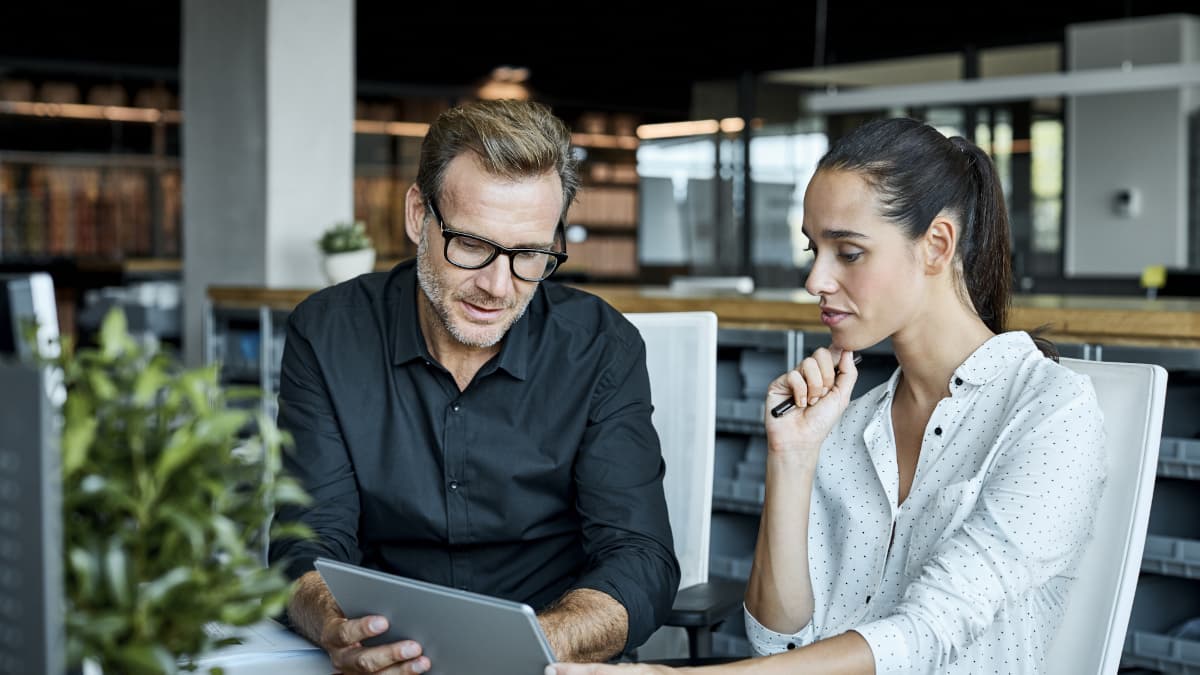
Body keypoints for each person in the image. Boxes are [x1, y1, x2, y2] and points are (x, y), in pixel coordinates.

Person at [550, 117, 1105, 675]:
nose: (815, 279)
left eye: (849, 252)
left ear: (936, 245)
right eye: (814, 249)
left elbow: (928, 634)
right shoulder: (846, 421)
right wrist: (791, 458)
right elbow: (778, 643)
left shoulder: (1051, 413)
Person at [268, 98, 680, 675]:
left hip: (549, 659)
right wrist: (338, 627)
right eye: (471, 244)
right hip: (387, 659)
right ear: (418, 215)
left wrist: (531, 645)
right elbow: (305, 544)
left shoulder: (600, 347)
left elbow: (641, 560)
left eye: (530, 254)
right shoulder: (328, 333)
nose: (496, 285)